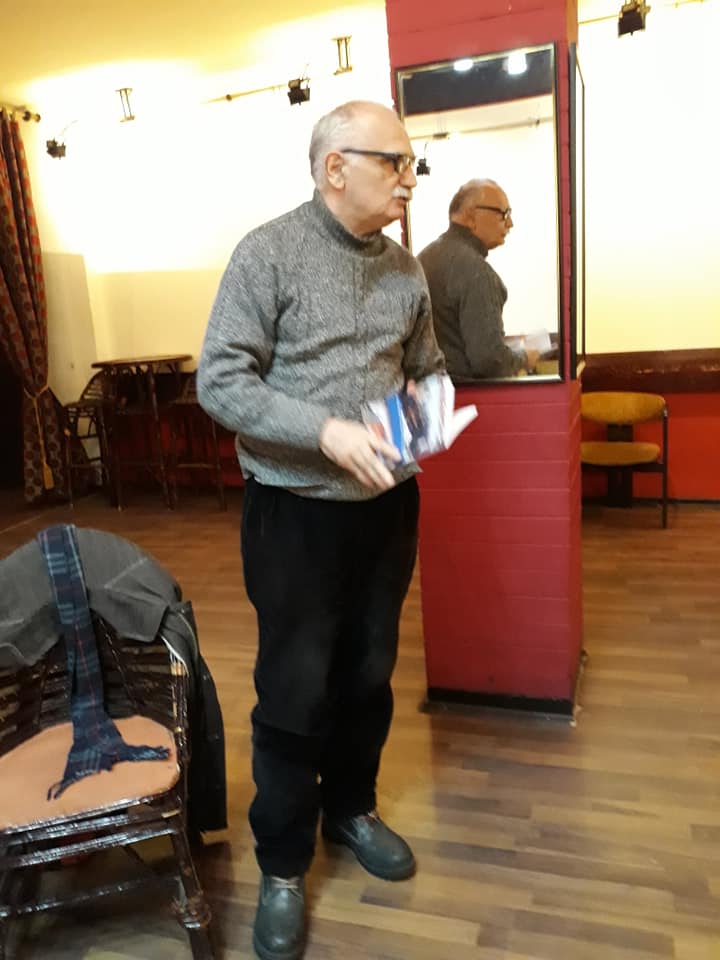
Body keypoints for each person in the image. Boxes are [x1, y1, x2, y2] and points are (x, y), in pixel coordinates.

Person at [197, 100, 445, 960]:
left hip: (387, 511)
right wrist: (327, 432)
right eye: (395, 163)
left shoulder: (408, 272)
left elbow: (427, 372)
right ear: (335, 167)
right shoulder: (267, 254)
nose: (410, 181)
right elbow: (220, 382)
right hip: (294, 514)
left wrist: (421, 425)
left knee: (369, 676)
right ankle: (281, 863)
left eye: (413, 165)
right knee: (295, 688)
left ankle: (351, 809)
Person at [417, 178, 539, 379]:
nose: (510, 223)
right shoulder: (478, 273)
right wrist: (524, 358)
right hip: (466, 393)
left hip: (425, 390)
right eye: (503, 214)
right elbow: (489, 361)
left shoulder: (422, 258)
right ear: (470, 216)